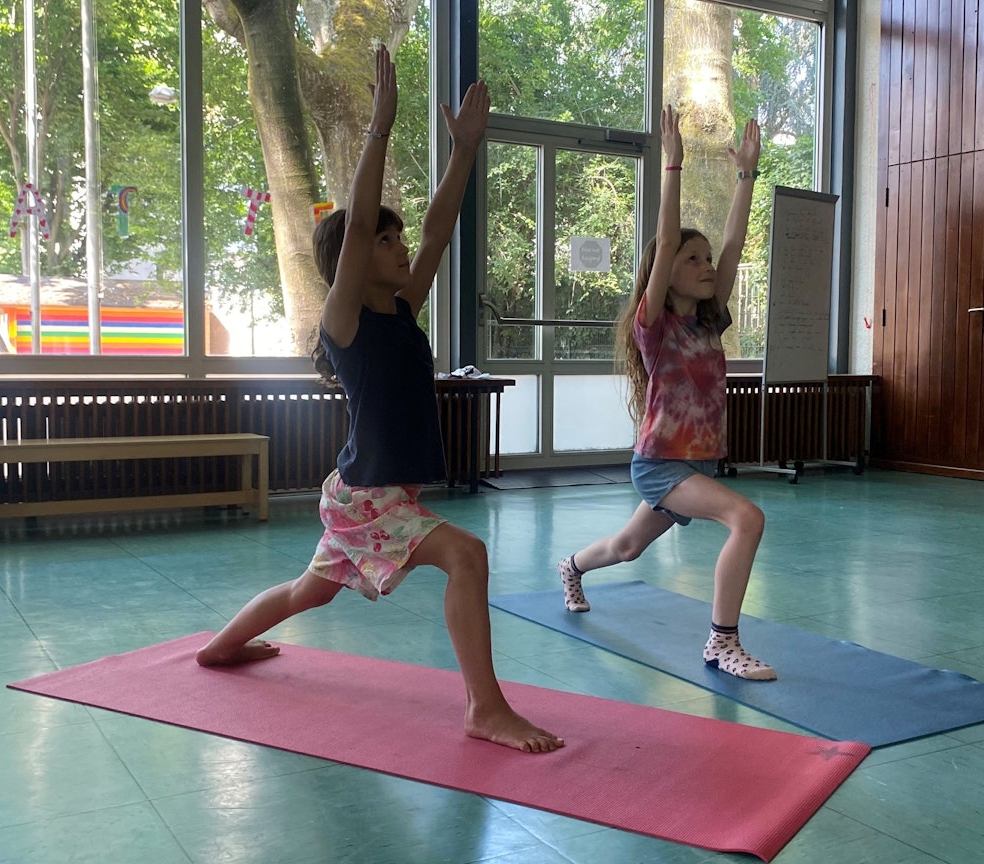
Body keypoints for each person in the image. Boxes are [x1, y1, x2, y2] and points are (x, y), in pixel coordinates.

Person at [197, 45, 563, 753]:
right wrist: (379, 128)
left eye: (398, 241)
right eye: (386, 243)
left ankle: (219, 649)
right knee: (469, 555)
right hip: (371, 497)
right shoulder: (347, 322)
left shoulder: (400, 310)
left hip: (358, 490)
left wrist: (464, 151)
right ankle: (484, 708)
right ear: (354, 264)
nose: (400, 250)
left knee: (311, 591)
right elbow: (358, 224)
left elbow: (439, 228)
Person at [556, 106, 775, 681]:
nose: (707, 266)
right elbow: (665, 233)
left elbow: (733, 242)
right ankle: (722, 643)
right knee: (746, 518)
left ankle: (571, 567)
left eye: (706, 260)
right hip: (661, 466)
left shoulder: (709, 322)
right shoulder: (655, 324)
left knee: (627, 548)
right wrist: (672, 166)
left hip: (692, 463)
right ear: (666, 270)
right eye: (692, 258)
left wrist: (747, 175)